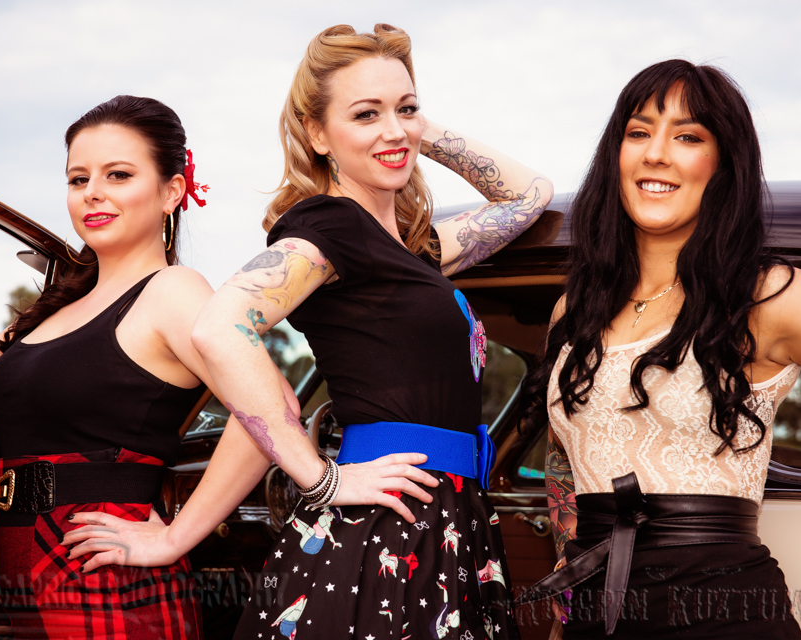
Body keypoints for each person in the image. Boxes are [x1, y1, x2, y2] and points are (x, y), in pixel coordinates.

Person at [66, 23, 553, 639]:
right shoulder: (330, 226)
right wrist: (321, 479)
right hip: (387, 525)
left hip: (449, 521)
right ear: (317, 134)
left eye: (406, 107)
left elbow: (528, 195)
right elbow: (221, 327)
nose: (393, 129)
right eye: (364, 114)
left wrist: (408, 127)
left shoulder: (414, 249)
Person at [0, 95, 283, 639]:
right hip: (17, 570)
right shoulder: (54, 303)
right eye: (78, 179)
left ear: (172, 191)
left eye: (118, 175)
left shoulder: (173, 291)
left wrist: (176, 536)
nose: (93, 192)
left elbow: (271, 407)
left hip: (108, 574)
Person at [512, 59, 801, 638]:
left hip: (722, 612)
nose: (656, 153)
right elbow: (564, 465)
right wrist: (568, 583)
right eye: (638, 132)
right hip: (594, 611)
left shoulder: (767, 295)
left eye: (688, 136)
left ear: (724, 163)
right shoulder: (572, 310)